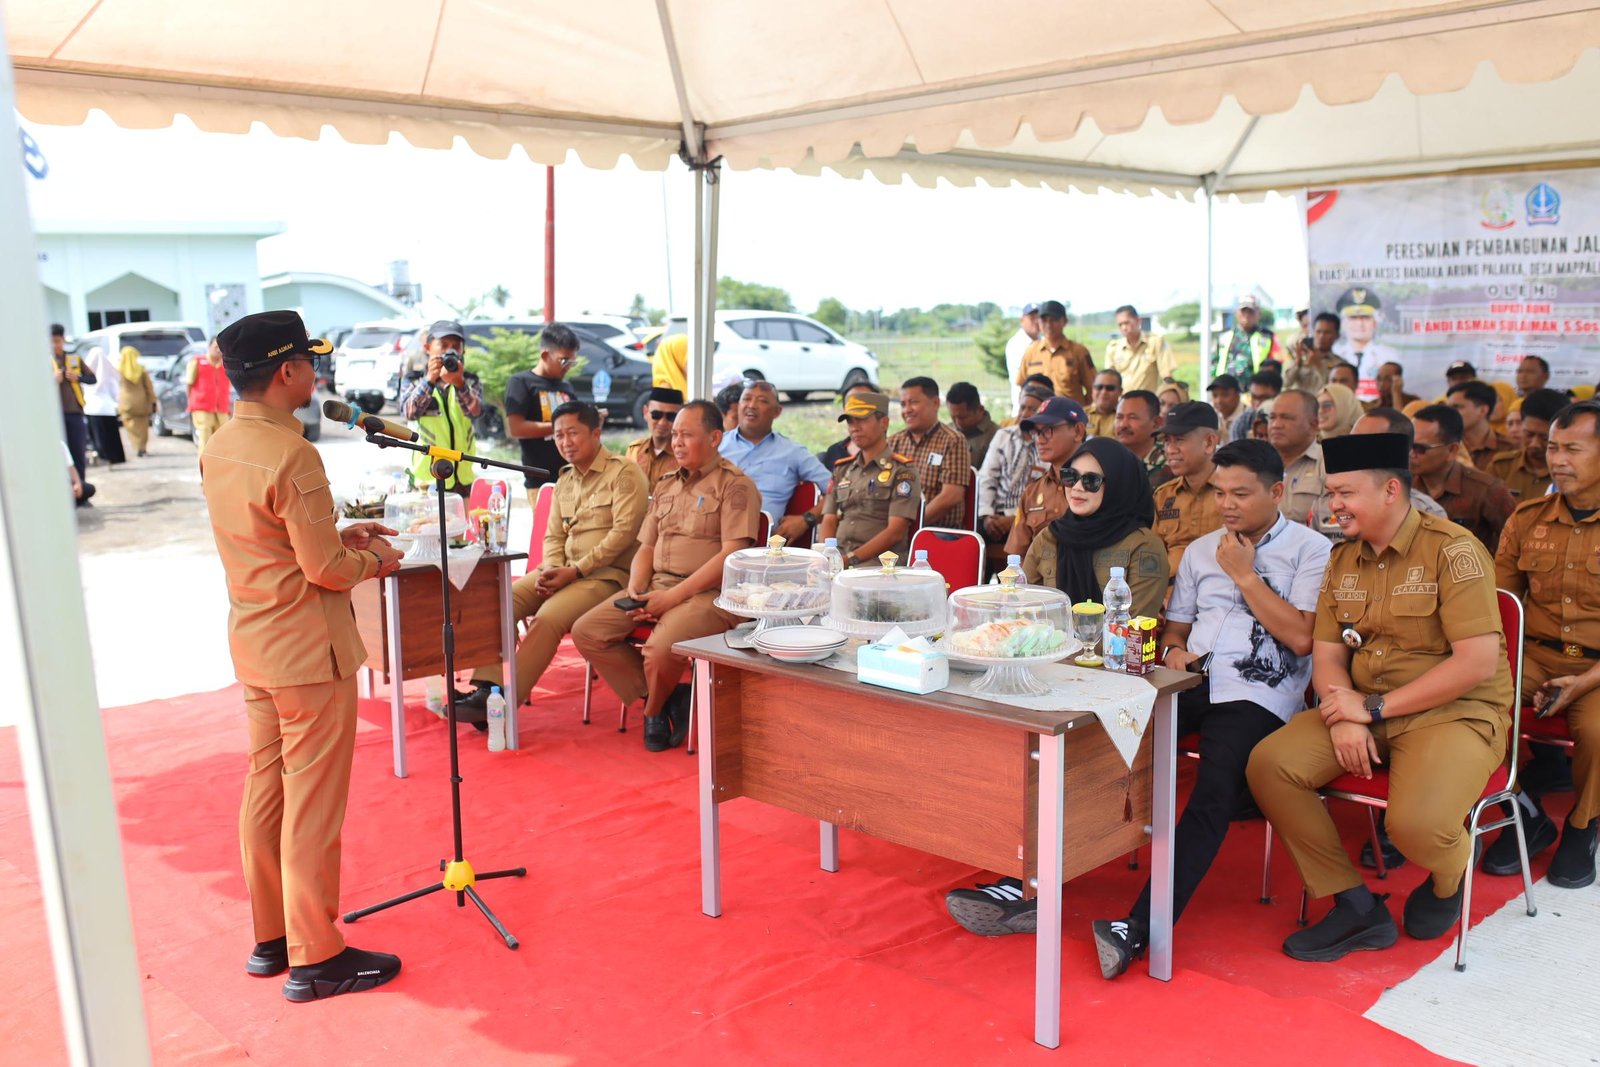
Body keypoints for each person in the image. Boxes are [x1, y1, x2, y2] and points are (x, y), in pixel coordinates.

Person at [199, 311, 406, 1000]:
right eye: (311, 362)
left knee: (267, 788)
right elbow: (323, 569)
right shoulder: (294, 454)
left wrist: (339, 531)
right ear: (286, 371)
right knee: (312, 803)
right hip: (307, 653)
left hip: (257, 642)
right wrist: (372, 556)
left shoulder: (223, 444)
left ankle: (270, 936)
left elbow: (272, 539)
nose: (318, 373)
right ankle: (316, 953)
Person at [1245, 432, 1512, 963]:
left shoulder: (1454, 551)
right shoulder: (1343, 559)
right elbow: (1327, 655)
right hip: (1365, 705)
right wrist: (1345, 717)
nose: (1332, 505)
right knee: (1270, 765)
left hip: (1453, 713)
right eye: (1329, 492)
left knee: (1416, 828)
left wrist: (1369, 710)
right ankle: (1355, 906)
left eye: (1344, 493)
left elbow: (1476, 663)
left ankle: (1446, 876)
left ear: (1391, 490)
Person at [1077, 440, 1333, 974]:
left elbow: (1302, 639)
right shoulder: (1199, 549)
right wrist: (1174, 650)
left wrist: (1244, 573)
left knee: (1213, 791)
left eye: (1241, 493)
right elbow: (1176, 626)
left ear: (1277, 492)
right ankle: (1033, 879)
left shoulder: (1312, 550)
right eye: (1220, 492)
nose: (1227, 505)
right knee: (1103, 742)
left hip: (1258, 693)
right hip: (1190, 680)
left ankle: (1140, 925)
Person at [571, 401, 759, 751]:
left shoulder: (736, 486)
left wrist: (669, 599)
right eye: (675, 435)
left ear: (715, 437)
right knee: (587, 631)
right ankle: (665, 697)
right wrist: (637, 588)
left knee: (659, 649)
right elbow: (646, 546)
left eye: (687, 435)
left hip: (713, 595)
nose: (677, 442)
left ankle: (653, 712)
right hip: (658, 586)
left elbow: (731, 556)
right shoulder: (668, 484)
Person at [461, 401, 649, 716]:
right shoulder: (565, 479)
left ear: (596, 433)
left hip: (606, 576)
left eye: (573, 433)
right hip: (563, 571)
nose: (565, 442)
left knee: (547, 619)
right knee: (498, 601)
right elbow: (553, 536)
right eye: (559, 435)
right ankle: (486, 690)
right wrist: (550, 570)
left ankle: (505, 706)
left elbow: (623, 535)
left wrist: (573, 572)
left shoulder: (624, 472)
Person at [1483, 399, 1600, 889]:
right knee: (1468, 703)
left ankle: (1582, 825)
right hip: (1531, 653)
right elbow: (1498, 606)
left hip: (1597, 669)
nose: (1557, 460)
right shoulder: (1527, 518)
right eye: (1553, 447)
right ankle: (1526, 812)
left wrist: (1583, 682)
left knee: (1596, 730)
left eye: (1573, 449)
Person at [1018, 436, 1168, 613]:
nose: (1077, 487)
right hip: (1049, 640)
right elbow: (1024, 610)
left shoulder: (1143, 545)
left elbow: (1135, 628)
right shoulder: (1049, 536)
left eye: (1091, 480)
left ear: (1117, 485)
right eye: (1070, 476)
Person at [720, 379, 830, 539]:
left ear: (777, 411)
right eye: (746, 399)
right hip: (713, 537)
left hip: (762, 546)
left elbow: (838, 491)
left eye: (762, 401)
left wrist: (807, 519)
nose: (751, 405)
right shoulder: (716, 446)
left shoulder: (793, 452)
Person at [819, 392, 921, 565]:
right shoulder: (842, 468)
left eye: (862, 420)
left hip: (879, 565)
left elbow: (895, 531)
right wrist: (827, 556)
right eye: (850, 421)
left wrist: (849, 560)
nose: (854, 427)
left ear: (884, 423)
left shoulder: (903, 471)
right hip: (840, 559)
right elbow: (828, 518)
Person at [1408, 404, 1517, 553]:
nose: (1410, 454)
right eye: (1407, 445)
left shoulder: (1487, 490)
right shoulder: (1402, 486)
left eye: (1420, 448)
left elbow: (1516, 543)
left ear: (1452, 450)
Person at [400, 319, 483, 495]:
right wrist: (429, 380)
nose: (449, 351)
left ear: (463, 350)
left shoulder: (470, 381)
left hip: (462, 479)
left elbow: (475, 412)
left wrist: (460, 385)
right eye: (443, 345)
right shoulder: (414, 380)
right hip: (427, 479)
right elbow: (409, 412)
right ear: (428, 347)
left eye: (455, 346)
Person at [504, 323, 580, 507]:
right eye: (564, 361)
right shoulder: (521, 382)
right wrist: (561, 427)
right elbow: (516, 428)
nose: (568, 367)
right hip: (540, 480)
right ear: (545, 355)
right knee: (547, 534)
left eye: (572, 362)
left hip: (571, 475)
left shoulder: (566, 387)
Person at [1003, 397, 1087, 559]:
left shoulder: (1096, 486)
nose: (1040, 440)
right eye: (1036, 432)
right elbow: (1016, 559)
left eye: (1048, 430)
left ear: (1078, 431)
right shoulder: (1032, 492)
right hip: (1039, 582)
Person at [977, 384, 1050, 570]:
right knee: (974, 538)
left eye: (1032, 409)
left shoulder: (1048, 442)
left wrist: (1014, 519)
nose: (1025, 413)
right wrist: (986, 515)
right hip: (995, 516)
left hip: (1030, 517)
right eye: (1023, 407)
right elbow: (987, 477)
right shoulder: (1003, 435)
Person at [1150, 402, 1222, 578]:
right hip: (1169, 596)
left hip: (1222, 595)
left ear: (1209, 442)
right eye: (1167, 441)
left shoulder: (1234, 493)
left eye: (1180, 440)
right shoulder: (1163, 495)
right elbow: (1152, 558)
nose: (1170, 450)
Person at [891, 376, 973, 528]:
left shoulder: (952, 441)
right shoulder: (893, 442)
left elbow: (951, 496)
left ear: (935, 403)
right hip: (896, 531)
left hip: (937, 533)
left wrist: (911, 526)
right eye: (903, 404)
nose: (907, 410)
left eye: (914, 402)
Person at [1487, 387, 1565, 502]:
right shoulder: (1501, 467)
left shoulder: (1570, 472)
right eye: (1529, 434)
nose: (1535, 444)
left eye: (1545, 437)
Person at [1014, 300, 1095, 405]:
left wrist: (1082, 413)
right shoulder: (1031, 351)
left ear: (1064, 321)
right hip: (1038, 417)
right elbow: (1022, 385)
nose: (1048, 325)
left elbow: (1092, 388)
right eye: (1044, 320)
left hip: (1069, 417)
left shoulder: (1078, 352)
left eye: (1053, 320)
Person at [1268, 390, 1327, 527]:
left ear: (1313, 425)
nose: (1276, 425)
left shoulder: (1327, 463)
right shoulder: (1256, 463)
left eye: (1286, 418)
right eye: (1272, 417)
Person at [1330, 287, 1398, 402]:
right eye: (1353, 318)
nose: (1359, 324)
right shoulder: (1335, 354)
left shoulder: (1389, 356)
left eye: (1365, 318)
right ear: (1344, 323)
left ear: (1374, 323)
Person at [52, 324, 95, 482]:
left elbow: (92, 379)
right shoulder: (45, 362)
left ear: (63, 340)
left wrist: (78, 378)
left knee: (78, 451)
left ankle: (81, 489)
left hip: (74, 412)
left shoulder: (73, 359)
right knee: (59, 455)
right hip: (53, 415)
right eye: (52, 341)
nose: (55, 345)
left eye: (57, 341)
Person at [1105, 305, 1175, 394]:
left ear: (1138, 321)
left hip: (1148, 402)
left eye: (1126, 323)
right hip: (1123, 403)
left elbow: (1167, 376)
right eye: (1120, 324)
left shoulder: (1155, 342)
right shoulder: (1113, 348)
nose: (1123, 328)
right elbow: (1109, 380)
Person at [1214, 295, 1284, 380]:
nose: (1246, 315)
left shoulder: (1268, 337)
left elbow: (1277, 364)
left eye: (1250, 312)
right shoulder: (1224, 336)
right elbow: (1213, 363)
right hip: (1227, 389)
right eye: (1243, 311)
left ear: (1259, 314)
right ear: (1236, 313)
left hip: (1256, 389)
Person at [625, 386, 683, 487]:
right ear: (645, 412)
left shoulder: (685, 455)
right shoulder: (634, 450)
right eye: (656, 414)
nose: (662, 422)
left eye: (671, 417)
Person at [1447, 380, 1511, 469]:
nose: (1450, 413)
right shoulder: (1444, 447)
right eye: (1448, 408)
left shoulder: (1510, 449)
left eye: (1457, 407)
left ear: (1483, 410)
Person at [818, 379, 880, 468]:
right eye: (850, 420)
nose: (855, 427)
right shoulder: (834, 453)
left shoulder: (893, 454)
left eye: (862, 418)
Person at [82, 344, 127, 466]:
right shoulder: (109, 376)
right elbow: (115, 394)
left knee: (97, 438)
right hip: (107, 408)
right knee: (110, 437)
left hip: (91, 408)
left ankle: (101, 457)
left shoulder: (85, 377)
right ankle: (112, 459)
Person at [187, 339, 231, 454]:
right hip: (202, 407)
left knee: (223, 439)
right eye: (216, 347)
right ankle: (205, 468)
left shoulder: (226, 364)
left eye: (220, 348)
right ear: (209, 346)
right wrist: (191, 403)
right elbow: (189, 384)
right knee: (205, 438)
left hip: (221, 408)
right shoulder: (197, 362)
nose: (218, 350)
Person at [1115, 390, 1168, 485]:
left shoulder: (1171, 462)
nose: (1123, 425)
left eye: (1132, 417)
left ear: (1156, 423)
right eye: (1119, 417)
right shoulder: (1106, 459)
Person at [945, 381, 999, 471]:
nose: (957, 422)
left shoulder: (997, 436)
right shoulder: (945, 432)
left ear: (980, 409)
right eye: (953, 417)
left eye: (963, 417)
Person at [116, 345, 157, 458]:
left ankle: (136, 445)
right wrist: (153, 400)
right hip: (141, 402)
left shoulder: (119, 370)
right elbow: (149, 387)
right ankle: (142, 447)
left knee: (130, 425)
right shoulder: (141, 369)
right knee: (143, 426)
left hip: (126, 402)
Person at [1284, 313, 1339, 393]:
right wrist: (1297, 362)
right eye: (1318, 332)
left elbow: (1334, 388)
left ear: (1336, 335)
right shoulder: (1301, 359)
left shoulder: (1338, 363)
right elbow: (1286, 383)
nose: (1321, 336)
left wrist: (1318, 365)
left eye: (1327, 333)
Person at [1004, 303, 1042, 414]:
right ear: (1022, 320)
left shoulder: (1044, 341)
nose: (1036, 322)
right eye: (1032, 318)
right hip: (1024, 409)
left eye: (1039, 318)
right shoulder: (1016, 344)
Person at [1231, 370, 1284, 442]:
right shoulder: (1242, 423)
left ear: (1279, 396)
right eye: (1254, 397)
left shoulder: (1288, 422)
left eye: (1264, 398)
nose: (1257, 403)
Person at [1206, 374, 1246, 439]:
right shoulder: (1210, 414)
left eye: (1225, 395)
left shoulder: (1248, 418)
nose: (1219, 401)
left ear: (1237, 395)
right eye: (1215, 395)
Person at [1087, 369, 1121, 438]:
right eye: (1099, 387)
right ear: (1092, 389)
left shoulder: (1126, 418)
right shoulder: (1081, 414)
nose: (1104, 392)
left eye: (1110, 388)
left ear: (1120, 391)